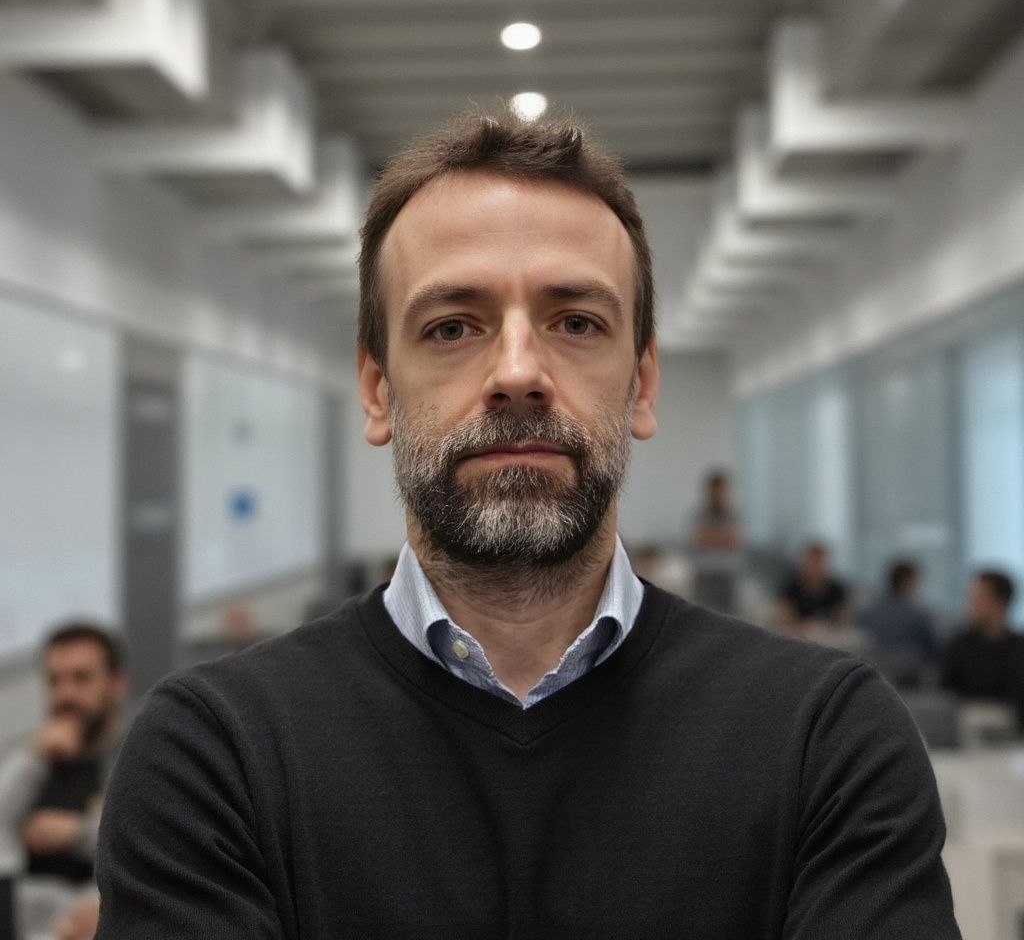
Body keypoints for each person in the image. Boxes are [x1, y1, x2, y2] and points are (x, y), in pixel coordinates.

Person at [95, 110, 959, 938]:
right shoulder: (216, 753)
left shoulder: (826, 739)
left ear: (643, 384)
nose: (517, 373)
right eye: (452, 327)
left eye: (576, 322)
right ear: (376, 389)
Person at [0, 623, 127, 940]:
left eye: (81, 679)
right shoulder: (31, 762)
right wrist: (33, 756)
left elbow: (145, 843)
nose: (65, 695)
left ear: (116, 684)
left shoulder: (134, 758)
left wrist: (75, 833)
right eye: (54, 681)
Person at [942, 569, 1024, 727]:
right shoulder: (961, 644)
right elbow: (946, 692)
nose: (972, 604)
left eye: (980, 597)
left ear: (1000, 601)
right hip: (963, 722)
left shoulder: (1018, 647)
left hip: (1009, 727)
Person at [860, 560, 940, 688]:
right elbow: (933, 650)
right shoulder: (919, 615)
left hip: (876, 679)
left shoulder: (869, 612)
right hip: (909, 680)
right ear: (907, 582)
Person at [688, 469, 743, 615]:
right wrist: (722, 537)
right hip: (705, 574)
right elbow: (700, 540)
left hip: (727, 575)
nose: (719, 495)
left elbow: (735, 540)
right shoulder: (699, 515)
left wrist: (712, 537)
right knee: (703, 616)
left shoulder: (734, 515)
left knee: (730, 618)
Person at [776, 540, 849, 630]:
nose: (815, 568)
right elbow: (783, 617)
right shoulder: (792, 586)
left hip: (827, 635)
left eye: (819, 563)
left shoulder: (836, 590)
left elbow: (843, 620)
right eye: (812, 562)